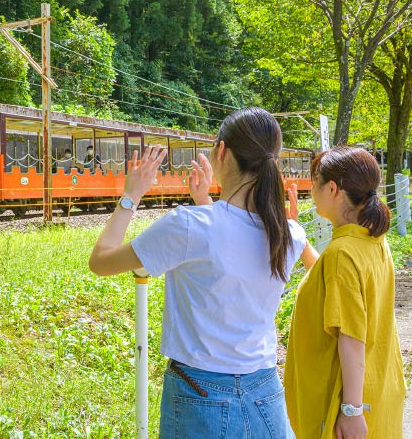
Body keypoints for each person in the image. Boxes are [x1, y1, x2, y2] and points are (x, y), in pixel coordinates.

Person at [88, 108, 317, 438]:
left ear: (222, 152)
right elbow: (233, 240)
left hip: (200, 395)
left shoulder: (188, 225)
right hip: (266, 394)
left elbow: (101, 261)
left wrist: (131, 195)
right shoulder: (290, 234)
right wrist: (205, 200)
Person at [284, 146, 405, 438]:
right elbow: (333, 283)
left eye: (315, 181)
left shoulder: (342, 253)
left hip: (345, 404)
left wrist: (352, 410)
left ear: (333, 189)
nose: (311, 189)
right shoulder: (372, 240)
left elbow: (351, 338)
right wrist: (299, 236)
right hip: (378, 388)